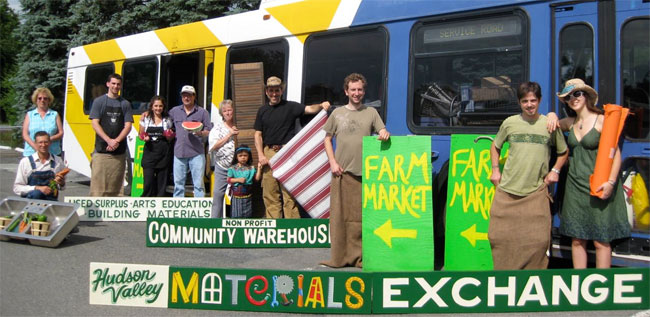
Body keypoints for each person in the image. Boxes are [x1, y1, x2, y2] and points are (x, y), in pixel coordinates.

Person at [488, 81, 568, 270]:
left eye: (533, 100)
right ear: (519, 103)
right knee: (499, 238)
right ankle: (504, 280)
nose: (529, 105)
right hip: (507, 192)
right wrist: (495, 170)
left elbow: (563, 152)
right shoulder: (510, 123)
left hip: (536, 193)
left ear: (539, 101)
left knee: (538, 241)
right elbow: (495, 146)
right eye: (525, 101)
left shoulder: (549, 125)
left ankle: (532, 281)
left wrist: (555, 170)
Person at [555, 78, 630, 268]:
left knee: (601, 241)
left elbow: (616, 155)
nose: (573, 98)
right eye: (568, 97)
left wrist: (611, 183)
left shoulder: (602, 120)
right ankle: (580, 285)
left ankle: (601, 287)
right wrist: (549, 114)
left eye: (577, 93)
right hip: (574, 187)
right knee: (577, 240)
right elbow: (553, 123)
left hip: (598, 185)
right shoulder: (570, 123)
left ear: (586, 96)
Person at [321, 73, 390, 268]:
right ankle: (340, 258)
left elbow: (382, 131)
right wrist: (332, 162)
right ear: (346, 91)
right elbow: (327, 139)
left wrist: (384, 132)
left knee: (361, 219)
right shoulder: (337, 114)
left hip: (365, 176)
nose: (357, 93)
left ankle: (360, 257)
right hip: (341, 174)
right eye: (353, 90)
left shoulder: (371, 113)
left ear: (364, 91)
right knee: (340, 219)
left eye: (360, 89)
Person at [254, 76, 330, 219]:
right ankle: (273, 232)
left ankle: (291, 231)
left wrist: (321, 105)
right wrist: (261, 155)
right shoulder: (262, 111)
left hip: (287, 153)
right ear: (267, 92)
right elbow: (257, 135)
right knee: (270, 195)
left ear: (281, 90)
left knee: (290, 195)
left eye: (277, 90)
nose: (274, 94)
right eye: (271, 91)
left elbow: (310, 109)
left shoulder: (291, 106)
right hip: (268, 153)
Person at [89, 73, 133, 196]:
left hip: (119, 153)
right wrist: (108, 140)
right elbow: (95, 123)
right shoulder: (99, 102)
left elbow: (128, 126)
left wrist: (116, 141)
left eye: (118, 84)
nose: (115, 86)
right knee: (97, 188)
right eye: (113, 83)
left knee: (116, 188)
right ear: (108, 84)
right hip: (101, 151)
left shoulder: (125, 104)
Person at [168, 85, 213, 197]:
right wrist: (147, 114)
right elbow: (165, 121)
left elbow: (209, 130)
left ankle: (199, 210)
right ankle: (178, 211)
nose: (186, 98)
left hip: (196, 153)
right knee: (178, 185)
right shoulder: (174, 111)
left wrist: (201, 133)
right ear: (181, 97)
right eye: (184, 95)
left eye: (189, 95)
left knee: (198, 184)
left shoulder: (203, 112)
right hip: (179, 152)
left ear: (194, 96)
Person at [14, 131, 66, 201]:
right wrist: (37, 188)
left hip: (51, 203)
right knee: (37, 193)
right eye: (40, 142)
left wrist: (61, 183)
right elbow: (17, 188)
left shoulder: (58, 161)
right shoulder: (26, 162)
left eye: (46, 142)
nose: (43, 145)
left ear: (50, 143)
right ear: (35, 143)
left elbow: (62, 187)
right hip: (31, 204)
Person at [138, 96, 174, 197]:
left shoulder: (167, 120)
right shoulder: (146, 118)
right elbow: (140, 134)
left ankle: (159, 206)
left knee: (161, 184)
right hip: (149, 152)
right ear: (152, 107)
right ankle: (145, 204)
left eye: (160, 106)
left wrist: (169, 136)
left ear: (163, 107)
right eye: (156, 106)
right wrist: (144, 137)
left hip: (163, 153)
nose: (158, 108)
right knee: (148, 183)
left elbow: (170, 137)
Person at [208, 100, 238, 218]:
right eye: (225, 111)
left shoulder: (239, 124)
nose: (228, 113)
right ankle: (214, 222)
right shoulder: (217, 128)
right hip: (222, 166)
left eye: (230, 110)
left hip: (238, 167)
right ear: (222, 113)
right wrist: (229, 135)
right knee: (218, 194)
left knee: (239, 194)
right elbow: (213, 146)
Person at [22, 87, 63, 157]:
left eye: (45, 98)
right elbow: (25, 134)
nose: (42, 100)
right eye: (40, 98)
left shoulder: (54, 114)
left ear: (49, 100)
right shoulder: (30, 115)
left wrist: (48, 139)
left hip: (52, 152)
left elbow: (61, 133)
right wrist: (36, 146)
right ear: (36, 100)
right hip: (32, 153)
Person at [227, 145, 262, 218]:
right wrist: (238, 180)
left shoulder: (251, 168)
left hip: (248, 196)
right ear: (236, 157)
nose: (243, 157)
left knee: (247, 215)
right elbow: (228, 179)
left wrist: (259, 168)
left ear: (249, 156)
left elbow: (257, 178)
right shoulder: (232, 168)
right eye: (240, 156)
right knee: (236, 215)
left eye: (245, 155)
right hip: (237, 197)